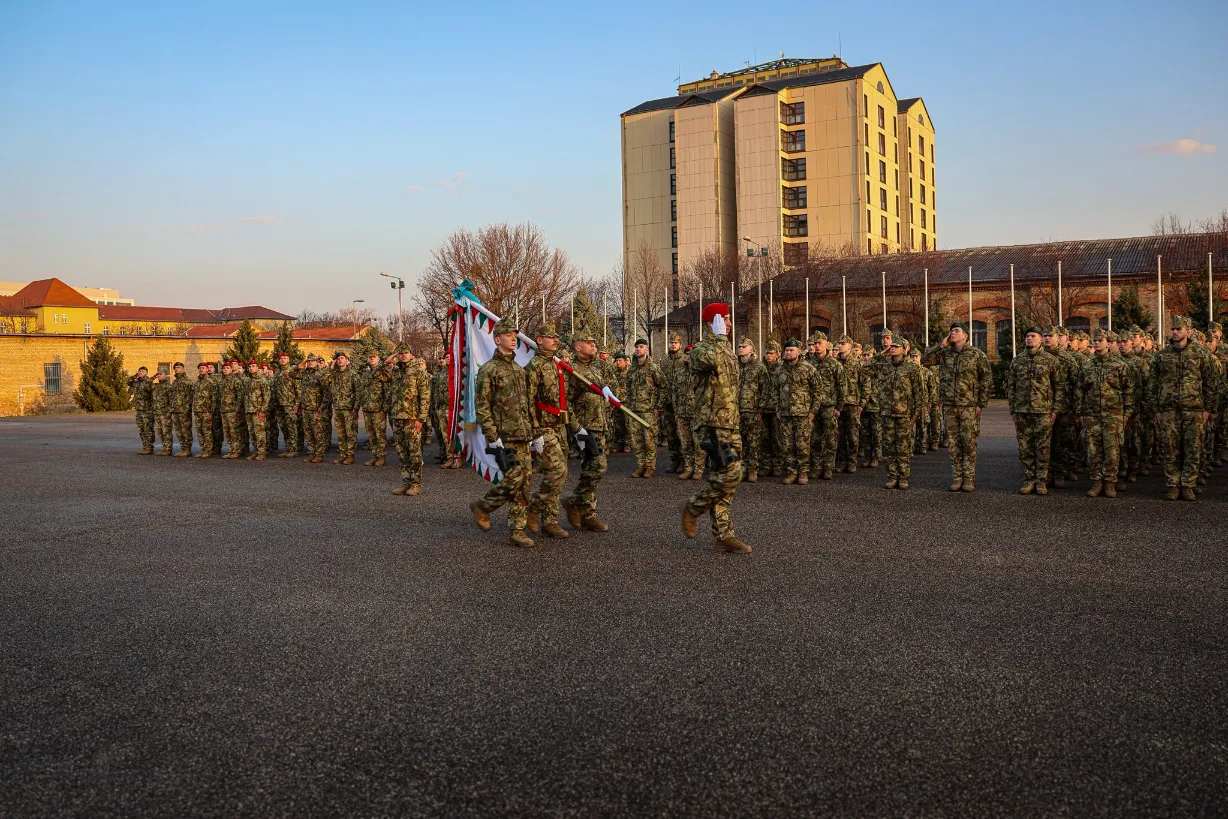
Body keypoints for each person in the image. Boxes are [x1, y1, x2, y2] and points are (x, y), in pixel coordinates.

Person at [680, 303, 749, 553]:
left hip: (730, 423)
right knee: (730, 473)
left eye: (729, 320)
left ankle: (723, 534)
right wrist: (719, 337)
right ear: (713, 322)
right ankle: (694, 506)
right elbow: (711, 360)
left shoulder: (727, 349)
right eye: (725, 319)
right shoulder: (700, 349)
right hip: (711, 424)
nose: (729, 324)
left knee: (727, 479)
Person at [470, 319, 537, 548]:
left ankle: (517, 530)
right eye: (508, 335)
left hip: (523, 434)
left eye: (515, 335)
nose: (513, 338)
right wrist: (492, 436)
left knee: (525, 482)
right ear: (497, 339)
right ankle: (484, 505)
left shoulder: (519, 369)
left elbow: (527, 404)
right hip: (504, 436)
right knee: (514, 478)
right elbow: (482, 406)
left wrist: (534, 433)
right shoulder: (489, 370)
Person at [1152, 315, 1219, 501]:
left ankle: (1188, 484)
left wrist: (1209, 408)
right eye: (1173, 329)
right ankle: (1173, 485)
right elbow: (1152, 384)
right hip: (1169, 410)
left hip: (1194, 410)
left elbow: (1211, 382)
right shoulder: (1162, 355)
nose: (1174, 332)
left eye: (1178, 329)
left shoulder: (1200, 353)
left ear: (1188, 331)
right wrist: (1156, 409)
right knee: (1170, 448)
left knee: (1193, 448)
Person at [924, 322, 993, 492]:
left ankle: (969, 478)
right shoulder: (945, 353)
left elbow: (986, 380)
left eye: (956, 331)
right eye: (951, 331)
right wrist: (941, 345)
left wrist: (980, 404)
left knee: (968, 443)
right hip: (950, 405)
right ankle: (957, 478)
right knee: (954, 444)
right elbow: (926, 361)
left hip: (969, 406)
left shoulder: (977, 355)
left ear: (966, 336)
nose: (952, 333)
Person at [563, 330, 611, 532]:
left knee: (591, 468)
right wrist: (576, 428)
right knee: (597, 466)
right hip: (584, 427)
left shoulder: (596, 368)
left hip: (598, 425)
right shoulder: (571, 370)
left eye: (594, 341)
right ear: (577, 347)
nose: (593, 345)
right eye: (588, 342)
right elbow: (566, 402)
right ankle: (574, 501)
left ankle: (587, 514)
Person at [1075, 330, 1133, 498]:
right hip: (1092, 415)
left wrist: (1126, 414)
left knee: (1112, 450)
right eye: (1095, 340)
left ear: (1108, 344)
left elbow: (1128, 390)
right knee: (1093, 450)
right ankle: (1096, 482)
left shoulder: (1120, 365)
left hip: (1113, 414)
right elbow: (1079, 390)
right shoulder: (1087, 366)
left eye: (1101, 340)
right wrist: (1080, 413)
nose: (1097, 343)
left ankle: (1110, 482)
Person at [523, 323, 569, 535]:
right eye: (551, 337)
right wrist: (535, 432)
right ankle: (534, 507)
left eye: (556, 337)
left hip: (560, 425)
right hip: (544, 426)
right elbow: (528, 402)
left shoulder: (556, 365)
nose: (555, 340)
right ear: (539, 340)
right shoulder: (534, 367)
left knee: (559, 473)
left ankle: (550, 522)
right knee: (557, 471)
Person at [1008, 327, 1064, 495]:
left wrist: (1055, 409)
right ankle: (1029, 480)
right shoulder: (1017, 361)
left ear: (1040, 340)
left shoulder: (1050, 360)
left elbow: (1059, 386)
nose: (1029, 339)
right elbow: (1011, 386)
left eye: (1033, 336)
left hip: (1043, 411)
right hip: (1022, 411)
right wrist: (1013, 409)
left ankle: (1041, 481)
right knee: (1025, 448)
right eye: (1027, 336)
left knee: (1043, 448)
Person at [377, 345, 431, 495]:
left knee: (414, 452)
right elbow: (376, 375)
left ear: (411, 354)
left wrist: (421, 419)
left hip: (412, 419)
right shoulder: (394, 372)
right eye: (400, 353)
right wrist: (387, 361)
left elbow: (425, 397)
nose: (403, 355)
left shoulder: (418, 372)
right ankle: (406, 482)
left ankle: (416, 483)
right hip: (397, 418)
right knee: (401, 452)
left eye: (405, 353)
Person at [879, 338, 924, 489]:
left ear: (904, 349)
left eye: (896, 346)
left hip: (904, 413)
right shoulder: (885, 364)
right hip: (887, 412)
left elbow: (919, 391)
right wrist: (881, 354)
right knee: (889, 447)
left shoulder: (911, 366)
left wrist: (916, 414)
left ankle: (903, 477)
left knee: (903, 447)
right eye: (891, 346)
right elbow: (867, 367)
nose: (892, 348)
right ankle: (892, 476)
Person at [775, 339, 820, 484]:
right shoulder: (780, 370)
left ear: (799, 351)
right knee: (787, 445)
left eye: (791, 350)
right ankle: (792, 472)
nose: (788, 353)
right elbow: (775, 390)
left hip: (803, 413)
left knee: (803, 445)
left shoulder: (808, 369)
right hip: (785, 414)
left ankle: (803, 472)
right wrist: (778, 408)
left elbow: (818, 391)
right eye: (786, 350)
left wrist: (813, 410)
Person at [807, 333, 845, 480]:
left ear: (827, 344)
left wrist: (839, 407)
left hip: (829, 406)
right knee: (814, 438)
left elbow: (842, 386)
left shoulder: (834, 364)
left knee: (830, 438)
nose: (817, 345)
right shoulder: (809, 364)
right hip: (813, 407)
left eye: (820, 343)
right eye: (815, 343)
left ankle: (828, 467)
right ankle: (816, 467)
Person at [625, 339, 664, 478]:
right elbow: (628, 388)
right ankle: (641, 465)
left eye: (641, 347)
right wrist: (628, 405)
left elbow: (663, 386)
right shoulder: (632, 370)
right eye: (636, 347)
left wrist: (658, 406)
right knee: (637, 441)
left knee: (649, 440)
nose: (638, 349)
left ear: (647, 349)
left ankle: (650, 467)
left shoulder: (653, 368)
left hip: (648, 410)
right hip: (634, 410)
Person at [317, 352, 362, 464]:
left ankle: (350, 455)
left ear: (347, 360)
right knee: (341, 433)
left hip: (349, 408)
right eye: (338, 359)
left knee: (350, 433)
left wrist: (356, 409)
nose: (340, 360)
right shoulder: (334, 374)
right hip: (337, 407)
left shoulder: (353, 374)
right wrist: (331, 369)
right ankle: (343, 454)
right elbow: (323, 381)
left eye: (342, 358)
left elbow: (358, 392)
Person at [736, 338, 765, 482]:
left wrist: (760, 410)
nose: (740, 348)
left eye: (743, 346)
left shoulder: (759, 367)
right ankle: (742, 468)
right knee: (739, 442)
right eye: (739, 346)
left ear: (751, 349)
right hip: (737, 410)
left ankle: (753, 470)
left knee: (753, 441)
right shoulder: (736, 366)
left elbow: (765, 389)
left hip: (752, 410)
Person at [835, 335, 864, 472]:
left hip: (852, 403)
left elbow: (865, 383)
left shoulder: (857, 362)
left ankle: (852, 461)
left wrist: (862, 403)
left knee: (853, 434)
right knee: (839, 434)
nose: (840, 345)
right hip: (838, 404)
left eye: (843, 343)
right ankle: (842, 461)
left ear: (850, 347)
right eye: (839, 343)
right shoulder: (835, 362)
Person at [759, 340, 784, 476]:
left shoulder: (782, 369)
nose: (768, 356)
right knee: (764, 438)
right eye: (767, 353)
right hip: (763, 408)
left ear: (778, 354)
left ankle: (778, 465)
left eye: (771, 353)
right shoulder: (761, 368)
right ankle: (767, 464)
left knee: (777, 438)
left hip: (776, 410)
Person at [359, 352, 388, 467]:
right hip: (367, 408)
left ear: (378, 358)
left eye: (374, 357)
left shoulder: (382, 372)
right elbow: (363, 390)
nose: (371, 359)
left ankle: (382, 457)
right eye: (370, 357)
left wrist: (384, 409)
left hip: (378, 409)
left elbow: (387, 391)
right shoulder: (366, 373)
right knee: (371, 434)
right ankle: (374, 456)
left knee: (380, 434)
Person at [661, 333, 684, 473]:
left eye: (675, 342)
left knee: (682, 433)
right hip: (668, 402)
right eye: (671, 343)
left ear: (680, 344)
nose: (673, 345)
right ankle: (674, 459)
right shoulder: (664, 361)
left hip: (681, 403)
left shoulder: (685, 360)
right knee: (670, 433)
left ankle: (684, 460)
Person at [299, 355, 327, 463]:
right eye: (309, 361)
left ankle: (319, 454)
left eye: (313, 361)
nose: (310, 363)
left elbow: (326, 392)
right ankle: (312, 453)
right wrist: (302, 363)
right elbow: (292, 374)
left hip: (316, 408)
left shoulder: (320, 374)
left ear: (317, 362)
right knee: (308, 431)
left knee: (318, 432)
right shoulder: (304, 373)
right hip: (306, 407)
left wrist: (322, 406)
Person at [273, 352, 301, 458]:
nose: (283, 360)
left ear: (288, 360)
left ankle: (294, 449)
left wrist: (297, 404)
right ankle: (288, 448)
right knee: (284, 427)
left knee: (291, 426)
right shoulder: (278, 372)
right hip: (279, 404)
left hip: (289, 403)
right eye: (281, 358)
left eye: (285, 358)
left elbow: (298, 389)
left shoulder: (292, 371)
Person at [242, 360, 270, 460]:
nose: (251, 368)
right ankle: (255, 451)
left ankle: (262, 452)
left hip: (258, 411)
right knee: (252, 433)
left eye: (253, 366)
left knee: (260, 433)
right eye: (249, 366)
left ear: (257, 367)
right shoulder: (248, 380)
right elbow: (245, 396)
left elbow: (266, 396)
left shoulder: (262, 380)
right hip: (249, 410)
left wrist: (263, 410)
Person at [190, 361, 218, 458]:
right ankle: (203, 449)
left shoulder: (210, 382)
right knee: (199, 431)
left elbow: (214, 398)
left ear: (207, 370)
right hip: (198, 411)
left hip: (206, 411)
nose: (201, 369)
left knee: (207, 431)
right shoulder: (197, 383)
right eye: (200, 368)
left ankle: (208, 450)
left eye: (203, 368)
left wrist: (211, 411)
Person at [127, 366, 155, 454]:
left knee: (148, 429)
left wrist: (148, 379)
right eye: (139, 371)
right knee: (141, 429)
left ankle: (149, 447)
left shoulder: (148, 381)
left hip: (147, 409)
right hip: (139, 409)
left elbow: (151, 392)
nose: (140, 372)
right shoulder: (136, 382)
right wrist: (135, 375)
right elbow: (128, 382)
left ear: (146, 373)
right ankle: (145, 446)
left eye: (142, 371)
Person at [169, 362, 193, 456]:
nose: (176, 369)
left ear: (183, 368)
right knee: (178, 431)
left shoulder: (187, 381)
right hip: (175, 410)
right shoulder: (175, 382)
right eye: (175, 368)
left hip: (183, 410)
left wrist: (187, 410)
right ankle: (183, 449)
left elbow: (190, 397)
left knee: (185, 430)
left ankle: (187, 449)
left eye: (178, 367)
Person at [610, 351, 631, 453]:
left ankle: (627, 443)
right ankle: (619, 442)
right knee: (617, 423)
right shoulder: (613, 373)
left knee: (627, 423)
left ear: (625, 362)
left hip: (626, 401)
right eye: (616, 360)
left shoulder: (630, 372)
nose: (618, 362)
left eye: (620, 360)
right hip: (616, 400)